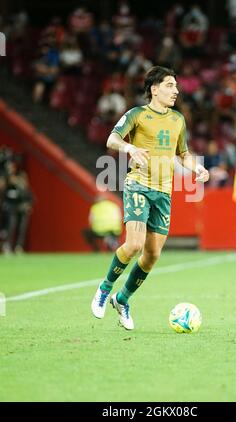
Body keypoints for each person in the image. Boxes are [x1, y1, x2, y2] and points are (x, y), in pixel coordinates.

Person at [91, 66, 209, 330]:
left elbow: (183, 153)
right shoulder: (137, 114)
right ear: (154, 89)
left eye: (176, 86)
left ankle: (122, 300)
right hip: (138, 185)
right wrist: (129, 146)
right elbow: (112, 139)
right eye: (170, 85)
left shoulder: (178, 119)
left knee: (152, 255)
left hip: (164, 192)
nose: (175, 91)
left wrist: (196, 167)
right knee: (133, 245)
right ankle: (105, 288)